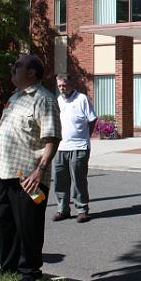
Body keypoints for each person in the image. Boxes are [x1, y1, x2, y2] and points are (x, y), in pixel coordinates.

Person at [0, 54, 61, 281]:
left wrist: (40, 171)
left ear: (32, 73)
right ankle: (8, 265)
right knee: (5, 219)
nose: (13, 68)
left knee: (29, 225)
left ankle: (30, 272)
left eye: (18, 66)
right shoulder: (15, 97)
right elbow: (4, 131)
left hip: (29, 177)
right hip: (6, 172)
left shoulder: (44, 100)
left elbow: (52, 138)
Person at [51, 73, 97, 223]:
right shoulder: (58, 101)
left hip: (79, 147)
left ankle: (82, 210)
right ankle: (63, 209)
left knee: (78, 180)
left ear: (71, 84)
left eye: (64, 85)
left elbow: (92, 119)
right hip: (60, 147)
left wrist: (85, 137)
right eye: (59, 86)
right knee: (60, 181)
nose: (62, 88)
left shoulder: (82, 99)